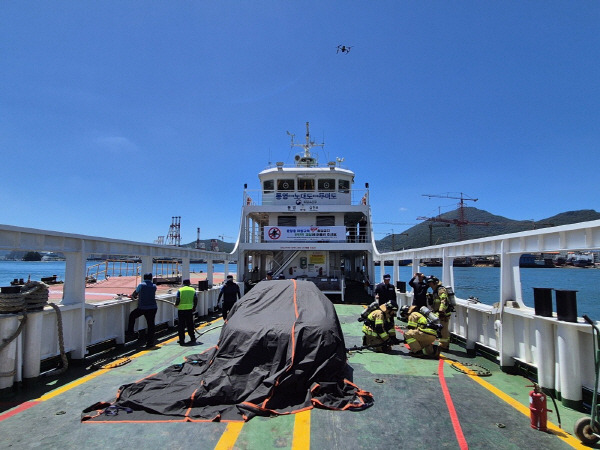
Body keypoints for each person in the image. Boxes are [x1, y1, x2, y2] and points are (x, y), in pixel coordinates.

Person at [127, 273, 158, 348]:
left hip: (143, 307)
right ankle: (150, 343)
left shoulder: (141, 285)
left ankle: (130, 332)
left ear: (144, 278)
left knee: (132, 315)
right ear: (151, 278)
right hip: (153, 307)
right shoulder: (154, 286)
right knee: (151, 325)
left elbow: (134, 294)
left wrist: (132, 296)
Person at [427, 276, 451, 350]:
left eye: (430, 283)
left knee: (443, 330)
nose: (429, 285)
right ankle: (442, 343)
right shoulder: (435, 290)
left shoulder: (441, 289)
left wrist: (441, 310)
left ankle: (444, 345)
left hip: (443, 314)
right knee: (441, 329)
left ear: (435, 283)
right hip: (437, 313)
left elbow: (443, 300)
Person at [175, 279, 198, 346]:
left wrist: (176, 304)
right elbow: (195, 299)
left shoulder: (180, 290)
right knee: (190, 324)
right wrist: (194, 307)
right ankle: (192, 338)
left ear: (183, 283)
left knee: (181, 325)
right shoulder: (193, 290)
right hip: (189, 309)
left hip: (181, 310)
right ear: (189, 283)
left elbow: (178, 299)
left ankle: (182, 340)